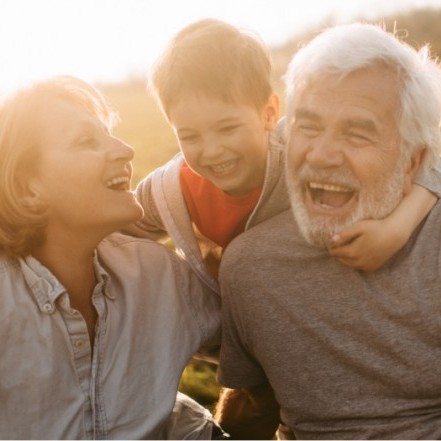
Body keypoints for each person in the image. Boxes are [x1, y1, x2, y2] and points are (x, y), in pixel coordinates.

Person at [215, 23, 441, 439]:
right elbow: (253, 407)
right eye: (309, 127)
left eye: (358, 133)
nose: (321, 155)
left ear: (413, 162)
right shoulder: (251, 268)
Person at [128, 18, 440, 301]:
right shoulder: (169, 190)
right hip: (226, 326)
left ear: (269, 114)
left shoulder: (301, 149)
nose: (211, 150)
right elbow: (113, 231)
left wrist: (399, 227)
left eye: (227, 128)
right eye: (190, 137)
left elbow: (431, 151)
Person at [0, 76, 224, 439]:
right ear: (29, 189)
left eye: (109, 134)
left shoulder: (158, 275)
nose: (125, 150)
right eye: (86, 141)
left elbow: (260, 344)